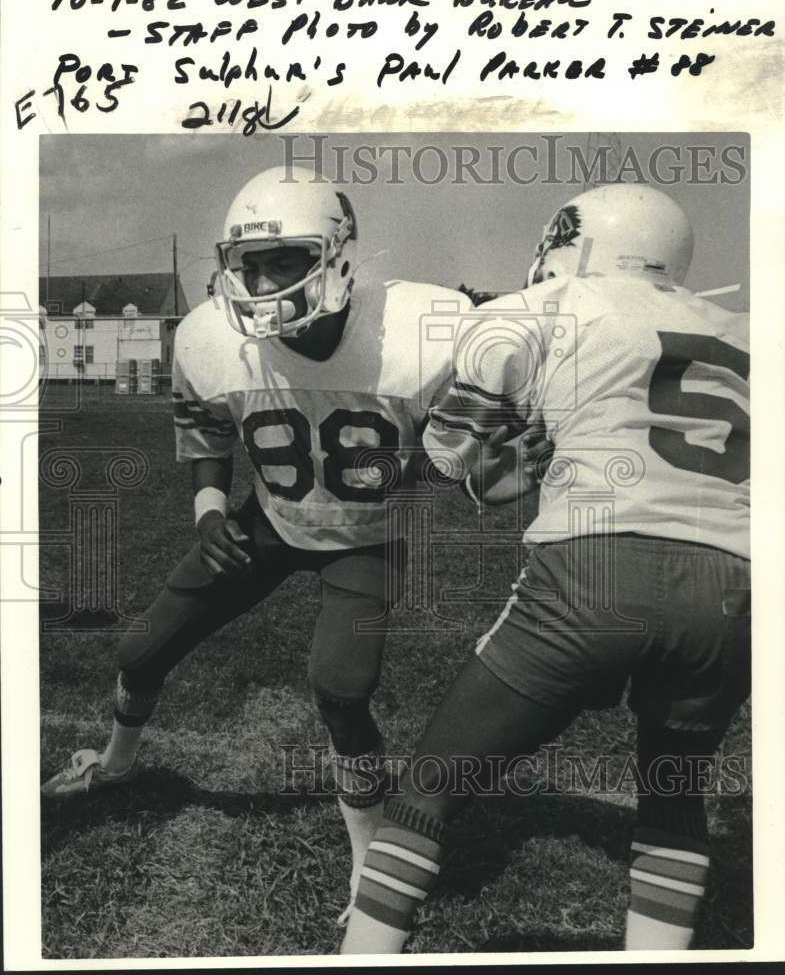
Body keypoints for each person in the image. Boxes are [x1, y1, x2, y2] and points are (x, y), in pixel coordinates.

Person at [42, 165, 484, 923]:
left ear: (338, 256)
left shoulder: (423, 329)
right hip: (269, 521)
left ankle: (367, 855)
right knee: (139, 651)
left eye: (285, 260)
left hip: (365, 536)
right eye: (251, 264)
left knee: (342, 690)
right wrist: (210, 510)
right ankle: (114, 765)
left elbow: (465, 448)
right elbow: (205, 428)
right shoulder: (210, 335)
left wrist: (447, 459)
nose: (263, 280)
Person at [341, 183, 751, 953]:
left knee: (426, 793)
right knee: (671, 793)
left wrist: (436, 462)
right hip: (738, 591)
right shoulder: (752, 329)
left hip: (595, 572)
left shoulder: (540, 310)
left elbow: (448, 453)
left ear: (569, 243)